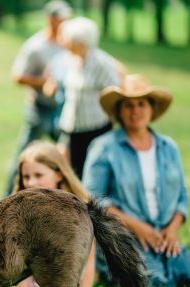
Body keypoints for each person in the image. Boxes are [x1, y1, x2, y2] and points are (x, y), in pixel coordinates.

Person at [84, 74, 190, 287]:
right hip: (123, 237)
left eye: (142, 104)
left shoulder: (168, 147)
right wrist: (138, 228)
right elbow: (93, 201)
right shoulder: (104, 148)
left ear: (151, 108)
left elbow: (182, 195)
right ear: (119, 111)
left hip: (162, 234)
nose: (135, 111)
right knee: (153, 280)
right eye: (128, 105)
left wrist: (173, 229)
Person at [8, 140, 96, 287]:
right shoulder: (22, 214)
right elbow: (19, 266)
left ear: (58, 174)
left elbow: (88, 264)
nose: (31, 183)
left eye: (38, 175)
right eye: (26, 177)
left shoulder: (78, 213)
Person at [5, 0, 72, 194]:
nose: (64, 23)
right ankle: (8, 197)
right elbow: (17, 77)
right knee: (24, 157)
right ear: (50, 19)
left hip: (62, 109)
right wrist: (44, 83)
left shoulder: (68, 43)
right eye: (61, 19)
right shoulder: (36, 46)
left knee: (67, 156)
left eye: (66, 19)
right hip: (40, 109)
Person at [44, 16, 121, 178]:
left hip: (96, 129)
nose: (63, 42)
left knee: (93, 174)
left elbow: (115, 93)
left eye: (67, 40)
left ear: (81, 43)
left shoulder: (101, 62)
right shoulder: (70, 60)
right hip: (71, 129)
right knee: (71, 174)